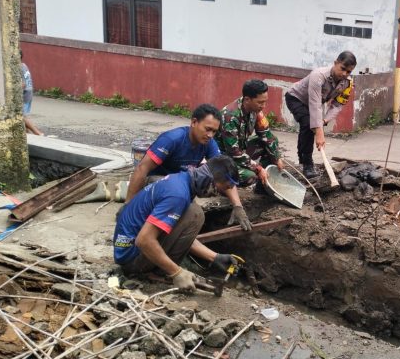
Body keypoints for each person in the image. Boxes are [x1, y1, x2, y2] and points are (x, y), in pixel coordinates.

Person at [114, 156, 243, 294]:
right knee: (195, 214)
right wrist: (177, 273)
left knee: (193, 212)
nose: (219, 194)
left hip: (128, 250)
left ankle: (161, 269)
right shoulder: (178, 195)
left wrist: (214, 257)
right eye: (223, 188)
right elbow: (144, 240)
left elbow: (177, 234)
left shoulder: (182, 181)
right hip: (131, 259)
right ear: (210, 180)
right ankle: (159, 271)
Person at [125, 104, 251, 231]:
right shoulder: (172, 139)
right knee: (189, 211)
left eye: (214, 131)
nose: (210, 135)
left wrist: (237, 206)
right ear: (194, 122)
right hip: (157, 184)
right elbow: (142, 168)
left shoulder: (208, 143)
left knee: (193, 214)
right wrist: (127, 207)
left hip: (180, 185)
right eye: (207, 129)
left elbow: (223, 171)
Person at [285, 51, 356, 179]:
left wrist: (324, 121)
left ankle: (302, 158)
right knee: (308, 124)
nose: (345, 74)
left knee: (308, 125)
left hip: (313, 104)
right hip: (295, 98)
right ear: (335, 63)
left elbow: (337, 105)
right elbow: (315, 104)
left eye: (349, 72)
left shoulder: (347, 83)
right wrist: (319, 132)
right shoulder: (318, 76)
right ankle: (307, 164)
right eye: (343, 69)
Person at [216, 80, 284, 191]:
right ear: (247, 99)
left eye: (265, 102)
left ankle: (263, 187)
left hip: (240, 150)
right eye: (260, 102)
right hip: (223, 159)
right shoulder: (230, 116)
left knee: (271, 144)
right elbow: (234, 153)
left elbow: (266, 135)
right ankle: (222, 187)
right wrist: (258, 168)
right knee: (250, 176)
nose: (263, 106)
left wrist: (277, 158)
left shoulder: (255, 111)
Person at [20, 52, 44, 136]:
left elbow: (23, 84)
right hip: (29, 92)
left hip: (25, 94)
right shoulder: (24, 65)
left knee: (22, 116)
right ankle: (28, 135)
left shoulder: (18, 67)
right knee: (22, 117)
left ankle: (38, 133)